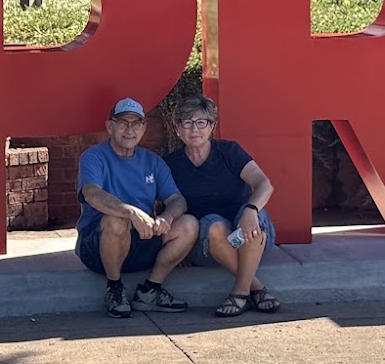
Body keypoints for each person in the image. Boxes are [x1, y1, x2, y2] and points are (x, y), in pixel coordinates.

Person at [76, 97, 197, 319]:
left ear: (143, 128)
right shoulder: (93, 157)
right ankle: (114, 288)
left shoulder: (153, 162)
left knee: (189, 224)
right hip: (98, 246)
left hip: (142, 238)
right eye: (123, 122)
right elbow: (91, 193)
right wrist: (131, 212)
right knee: (116, 220)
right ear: (110, 126)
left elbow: (177, 199)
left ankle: (150, 290)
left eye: (136, 123)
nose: (130, 129)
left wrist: (167, 217)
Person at [163, 95, 282, 318]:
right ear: (177, 128)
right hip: (206, 245)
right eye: (187, 122)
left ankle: (240, 293)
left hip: (251, 237)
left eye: (201, 122)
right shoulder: (170, 165)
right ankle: (255, 288)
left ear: (212, 127)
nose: (194, 129)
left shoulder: (229, 152)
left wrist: (251, 210)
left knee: (250, 215)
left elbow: (264, 183)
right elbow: (162, 206)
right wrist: (177, 248)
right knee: (212, 224)